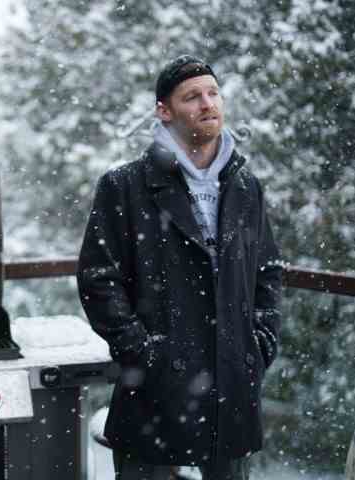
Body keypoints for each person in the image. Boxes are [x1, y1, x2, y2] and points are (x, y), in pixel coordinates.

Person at [77, 55, 282, 480]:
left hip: (231, 385)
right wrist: (141, 352)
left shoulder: (246, 186)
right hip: (155, 390)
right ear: (164, 112)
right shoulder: (125, 185)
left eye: (213, 93)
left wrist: (259, 343)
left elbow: (267, 272)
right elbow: (98, 280)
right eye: (192, 97)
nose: (208, 104)